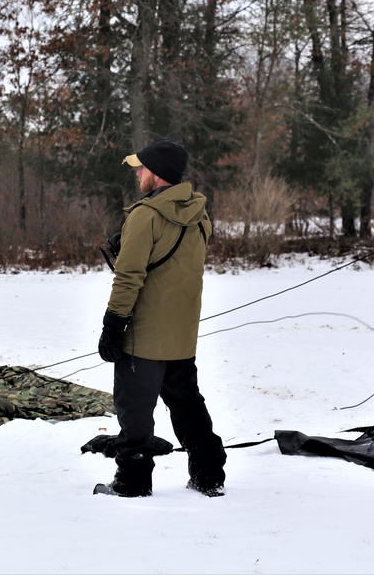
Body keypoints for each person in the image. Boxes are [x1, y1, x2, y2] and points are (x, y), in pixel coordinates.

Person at [94, 138, 226, 498]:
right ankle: (209, 473)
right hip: (182, 333)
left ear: (158, 173)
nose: (138, 173)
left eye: (143, 168)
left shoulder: (146, 215)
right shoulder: (200, 215)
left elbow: (129, 277)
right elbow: (174, 267)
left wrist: (112, 324)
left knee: (134, 410)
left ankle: (132, 481)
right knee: (187, 405)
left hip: (144, 335)